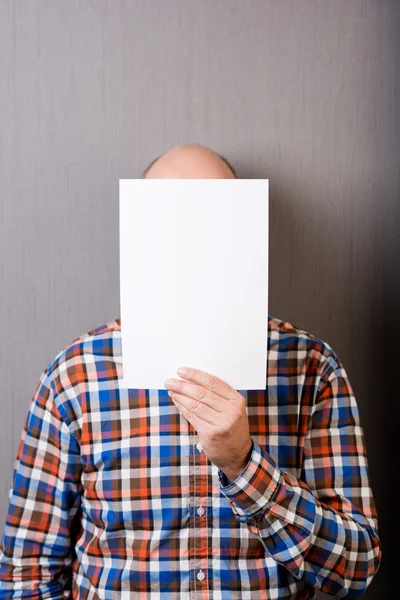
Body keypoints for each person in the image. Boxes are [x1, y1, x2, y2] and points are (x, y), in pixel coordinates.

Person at [0, 143, 381, 598]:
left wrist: (244, 467)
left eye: (214, 217)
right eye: (167, 219)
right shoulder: (75, 377)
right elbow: (27, 573)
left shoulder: (309, 369)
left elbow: (355, 570)